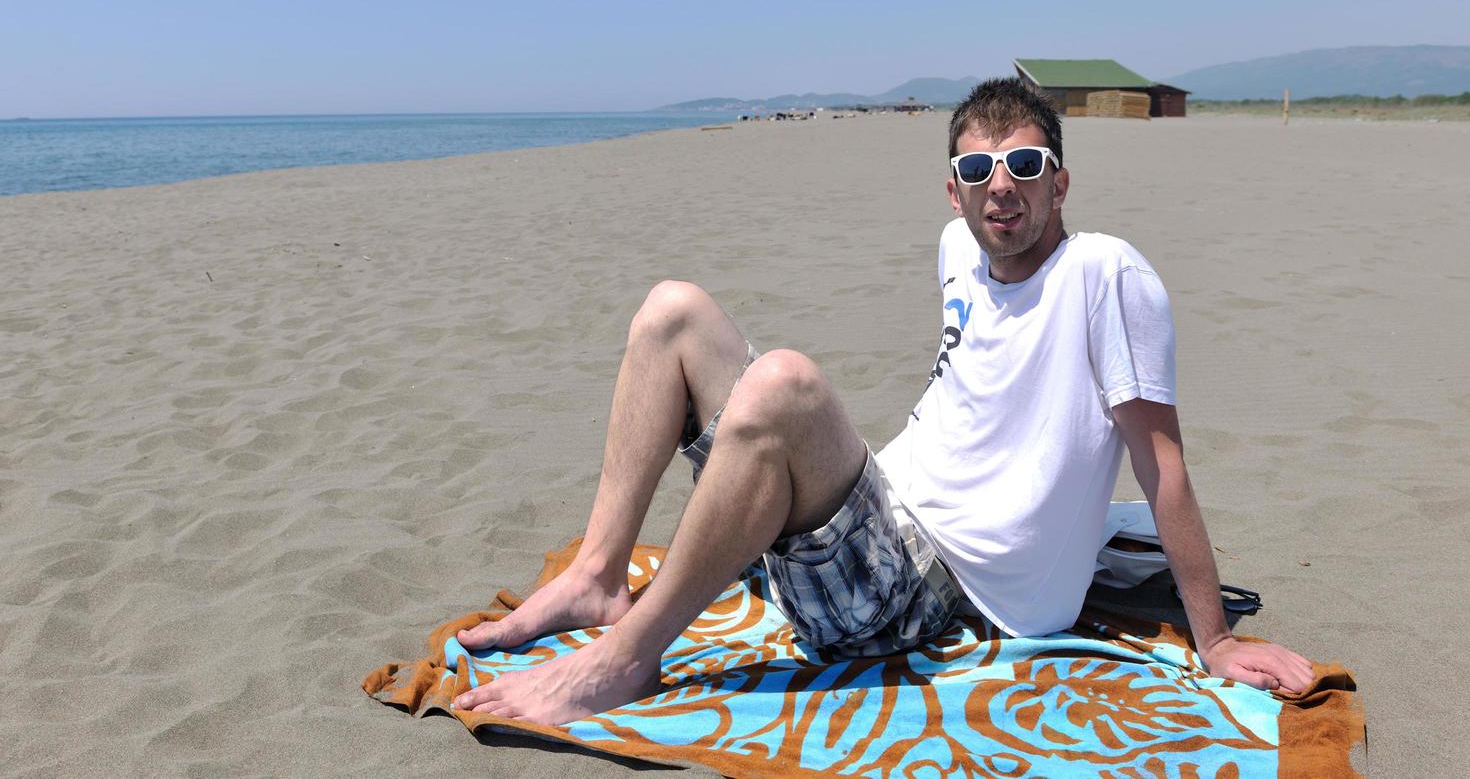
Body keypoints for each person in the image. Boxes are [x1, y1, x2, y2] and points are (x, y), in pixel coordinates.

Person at [451, 77, 1314, 724]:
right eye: (977, 168)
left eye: (1024, 164)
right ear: (954, 190)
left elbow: (1160, 462)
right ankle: (598, 580)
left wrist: (1218, 640)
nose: (1000, 186)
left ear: (1060, 182)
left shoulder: (1104, 275)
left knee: (785, 383)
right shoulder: (957, 250)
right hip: (877, 519)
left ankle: (625, 660)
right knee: (671, 312)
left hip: (935, 588)